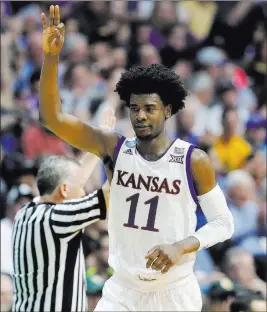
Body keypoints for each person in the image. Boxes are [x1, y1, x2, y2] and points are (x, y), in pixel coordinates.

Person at [39, 5, 234, 311]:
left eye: (149, 108)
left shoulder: (193, 160)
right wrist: (51, 58)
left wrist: (180, 246)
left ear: (167, 110)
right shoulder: (113, 147)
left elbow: (223, 223)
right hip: (123, 290)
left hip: (175, 292)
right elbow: (52, 117)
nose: (140, 116)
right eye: (134, 108)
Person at [11, 108, 116, 312]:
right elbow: (111, 190)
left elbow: (72, 179)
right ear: (65, 190)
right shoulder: (59, 219)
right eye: (82, 188)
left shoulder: (26, 212)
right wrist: (111, 151)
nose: (85, 190)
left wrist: (98, 143)